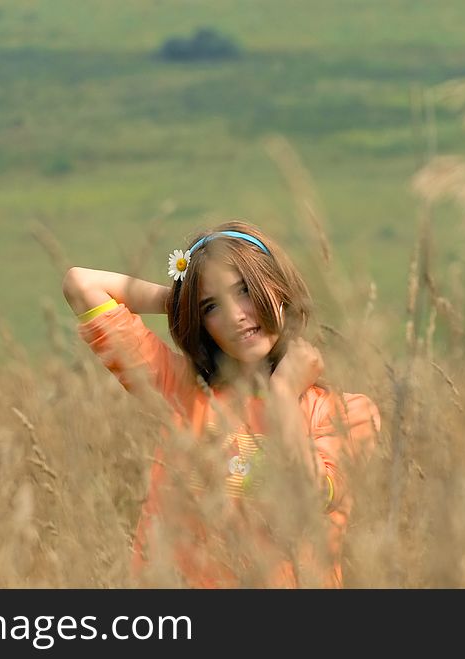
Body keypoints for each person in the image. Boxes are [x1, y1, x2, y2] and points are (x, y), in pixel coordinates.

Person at [62, 220, 380, 587]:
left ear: (280, 287)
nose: (234, 316)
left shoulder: (349, 414)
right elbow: (82, 285)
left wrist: (282, 395)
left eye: (244, 290)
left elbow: (310, 496)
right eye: (212, 307)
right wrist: (185, 302)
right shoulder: (183, 391)